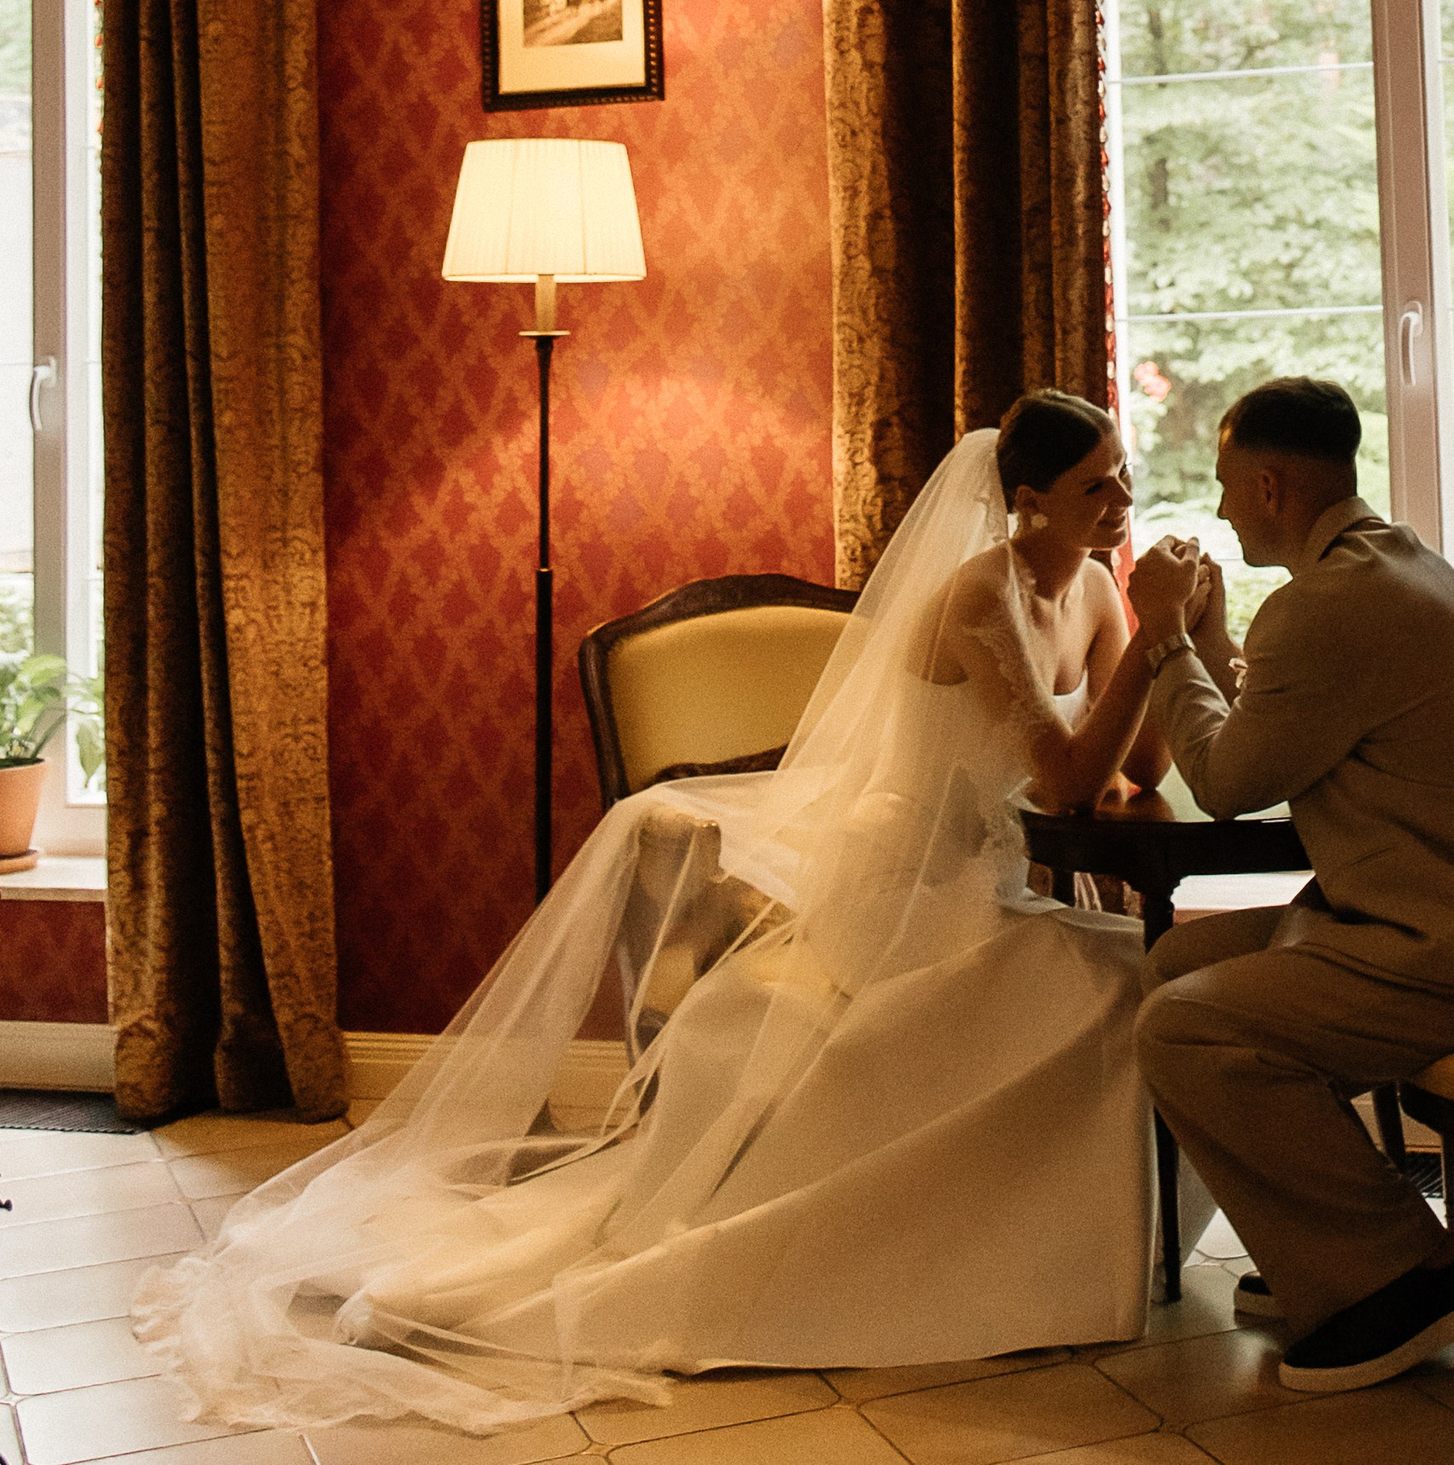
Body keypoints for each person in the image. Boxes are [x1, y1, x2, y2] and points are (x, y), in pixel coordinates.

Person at [134, 393, 1196, 1434]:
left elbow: (1130, 766)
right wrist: (1151, 655)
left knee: (1131, 975)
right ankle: (1018, 1272)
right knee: (1111, 984)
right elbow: (1063, 781)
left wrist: (1173, 631)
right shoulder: (980, 596)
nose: (1120, 499)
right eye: (1095, 484)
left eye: (1123, 478)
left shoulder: (1100, 590)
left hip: (985, 882)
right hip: (901, 891)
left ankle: (1044, 1265)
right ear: (1029, 501)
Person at [1123, 376, 1454, 1394]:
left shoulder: (1326, 605)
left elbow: (1229, 781)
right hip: (1448, 914)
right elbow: (1273, 727)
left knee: (1183, 1027)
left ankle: (1404, 1279)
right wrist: (1199, 644)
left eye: (1227, 486)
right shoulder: (1395, 565)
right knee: (1179, 961)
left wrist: (1159, 638)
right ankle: (1316, 1257)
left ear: (1273, 484)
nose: (1219, 507)